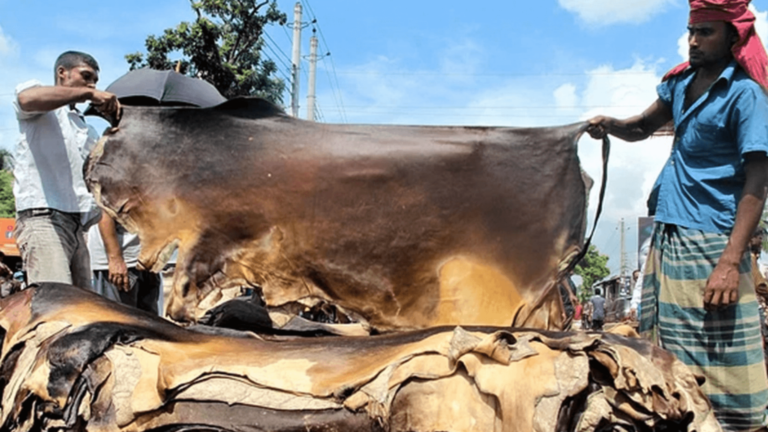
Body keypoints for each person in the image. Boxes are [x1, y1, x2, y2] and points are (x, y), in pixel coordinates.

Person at [587, 1, 768, 428]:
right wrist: (609, 124)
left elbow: (758, 183)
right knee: (669, 356)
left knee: (722, 357)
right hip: (670, 235)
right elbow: (641, 127)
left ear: (731, 37)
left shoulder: (744, 95)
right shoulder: (681, 83)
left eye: (705, 32)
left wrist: (728, 262)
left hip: (713, 241)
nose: (693, 40)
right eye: (691, 31)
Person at [12, 51, 119, 288]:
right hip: (43, 217)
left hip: (77, 226)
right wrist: (89, 93)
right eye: (86, 76)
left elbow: (102, 176)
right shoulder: (39, 102)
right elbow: (26, 99)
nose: (92, 84)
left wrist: (117, 126)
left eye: (95, 81)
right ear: (62, 72)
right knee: (57, 307)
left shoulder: (83, 127)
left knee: (82, 311)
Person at [89, 213, 162, 314]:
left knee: (149, 323)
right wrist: (115, 258)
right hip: (121, 263)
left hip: (146, 261)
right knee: (117, 321)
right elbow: (104, 212)